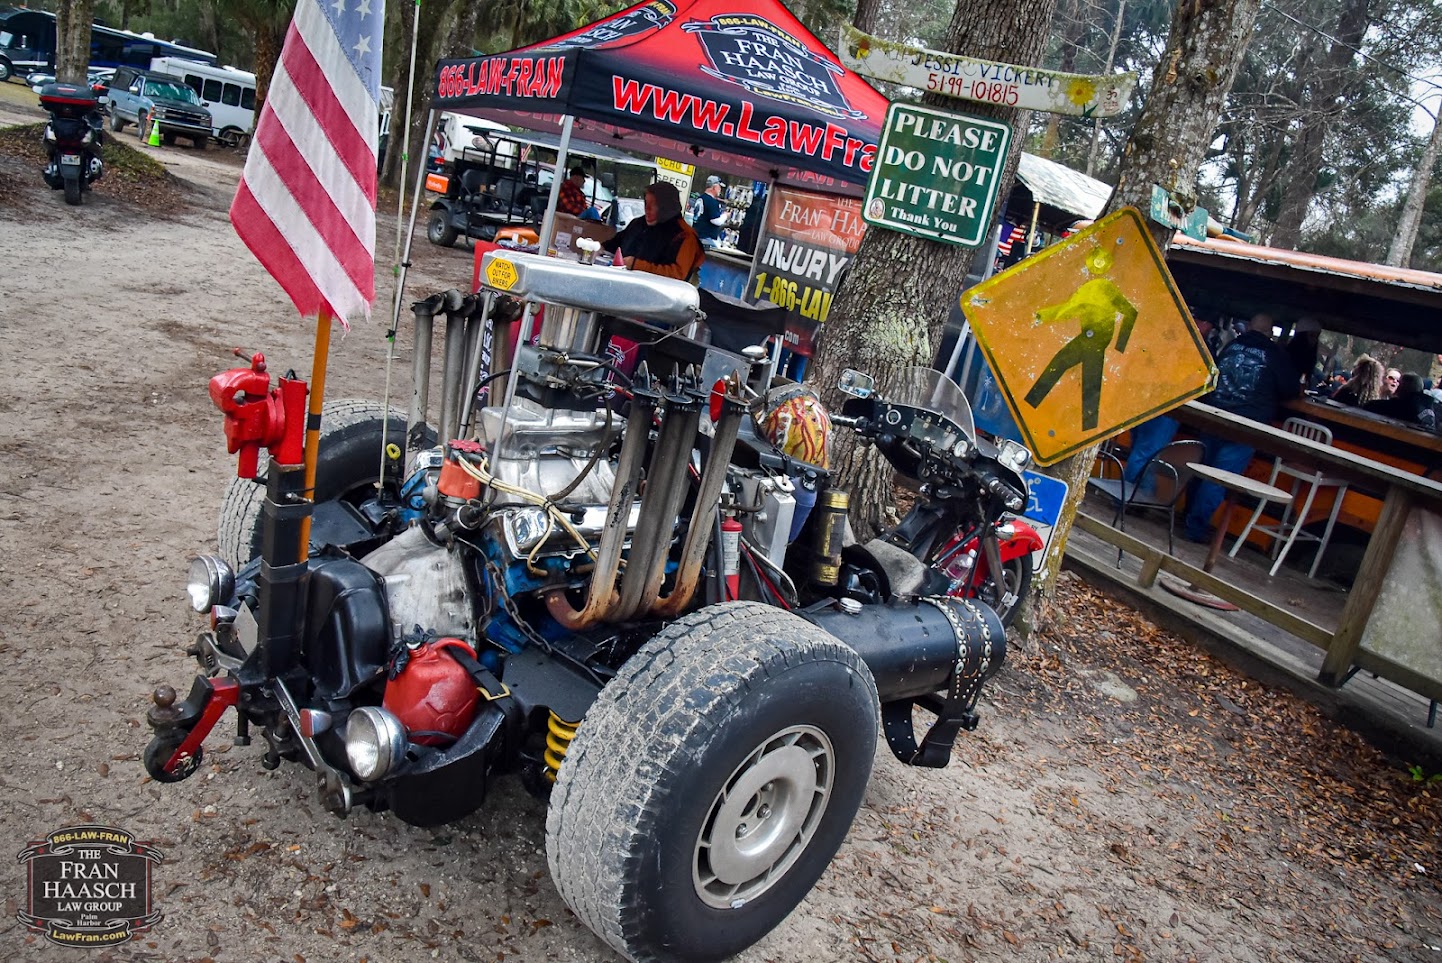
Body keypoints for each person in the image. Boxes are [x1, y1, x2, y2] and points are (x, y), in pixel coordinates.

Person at [1183, 312, 1300, 543]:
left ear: (1248, 327)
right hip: (1245, 426)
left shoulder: (1231, 346)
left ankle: (1186, 516)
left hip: (1213, 416)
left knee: (1201, 470)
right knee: (1219, 478)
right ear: (1269, 332)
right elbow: (1290, 389)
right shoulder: (1275, 354)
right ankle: (1194, 528)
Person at [601, 181, 703, 281]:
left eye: (654, 205)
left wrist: (636, 265)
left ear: (666, 207)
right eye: (646, 203)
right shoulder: (638, 224)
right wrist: (599, 248)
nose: (647, 209)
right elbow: (613, 245)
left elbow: (678, 274)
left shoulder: (685, 236)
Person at [1364, 373, 1436, 430]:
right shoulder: (1431, 407)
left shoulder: (1399, 407)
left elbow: (1371, 406)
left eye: (1399, 383)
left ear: (1402, 387)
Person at [693, 175, 727, 249]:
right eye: (719, 187)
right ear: (714, 187)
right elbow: (716, 221)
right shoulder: (711, 201)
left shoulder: (701, 198)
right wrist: (726, 215)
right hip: (706, 238)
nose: (720, 189)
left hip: (696, 235)